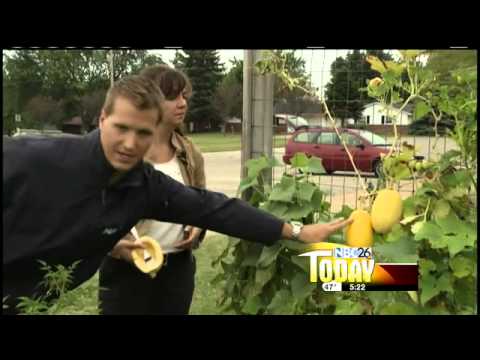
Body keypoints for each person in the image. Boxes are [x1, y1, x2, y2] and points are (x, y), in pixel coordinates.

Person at [3, 74, 352, 315]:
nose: (129, 143)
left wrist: (297, 231)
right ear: (102, 117)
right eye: (120, 128)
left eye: (142, 132)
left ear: (154, 130)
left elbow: (214, 209)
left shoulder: (144, 186)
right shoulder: (34, 158)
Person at [98, 65, 207, 315]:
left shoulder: (189, 152)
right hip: (127, 270)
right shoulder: (124, 153)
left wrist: (198, 226)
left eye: (184, 96)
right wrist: (115, 244)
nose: (181, 103)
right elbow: (95, 211)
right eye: (172, 96)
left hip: (177, 269)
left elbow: (202, 200)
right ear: (150, 101)